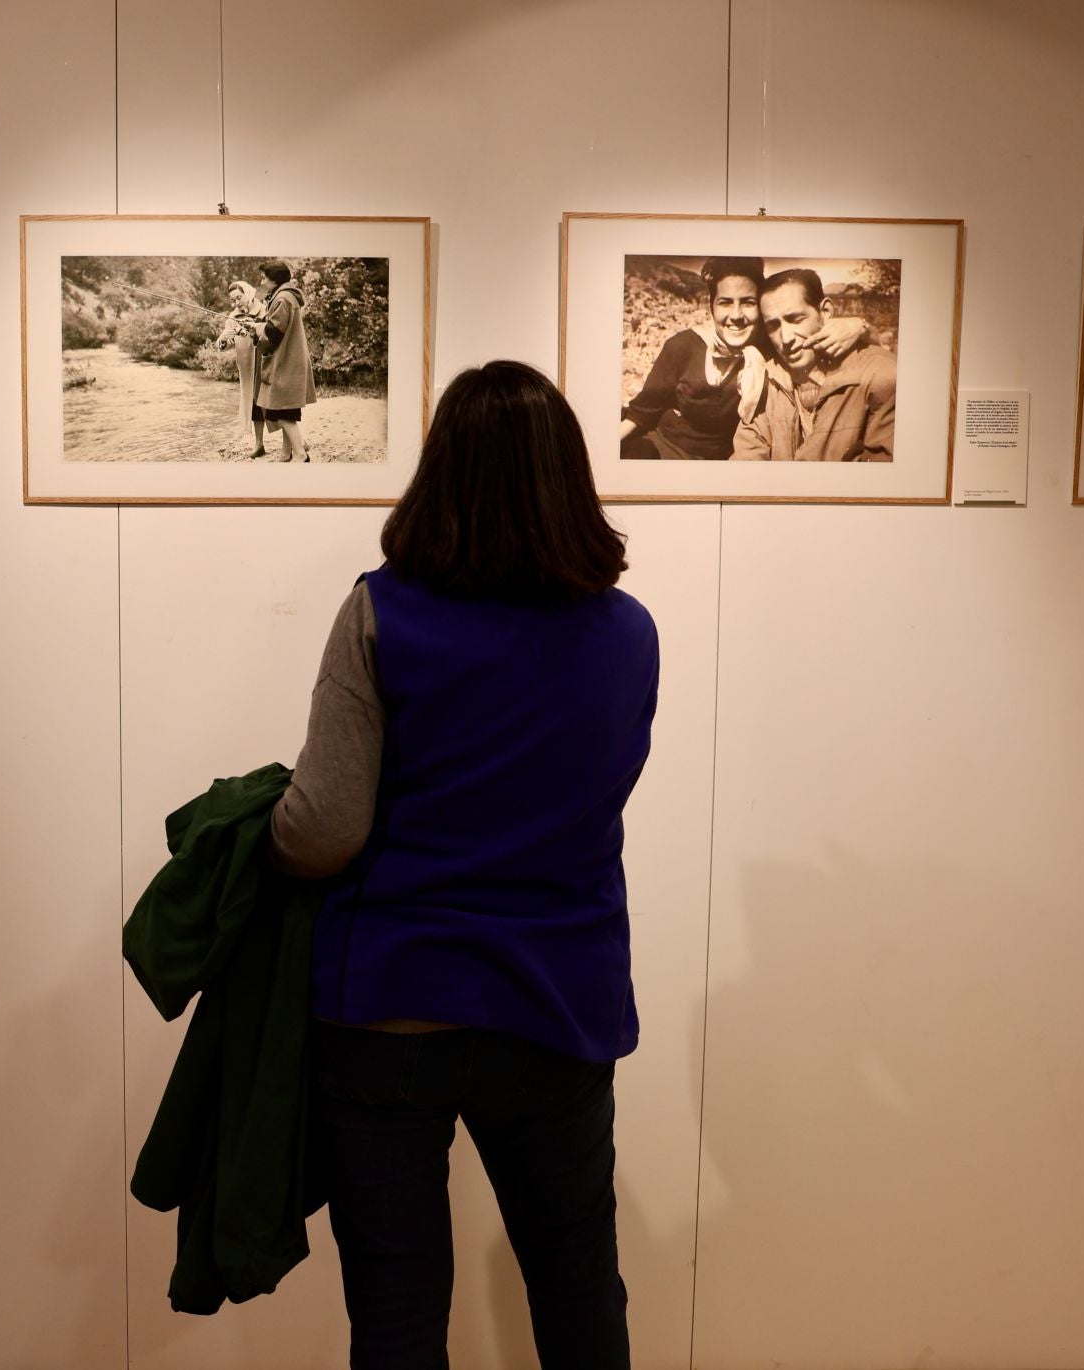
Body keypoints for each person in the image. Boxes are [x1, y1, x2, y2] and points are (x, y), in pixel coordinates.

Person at [269, 360, 659, 1369]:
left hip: (390, 1005)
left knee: (398, 1311)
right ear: (569, 478)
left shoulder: (380, 614)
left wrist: (256, 830)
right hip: (557, 1006)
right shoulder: (629, 634)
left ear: (438, 473)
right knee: (578, 1283)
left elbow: (323, 830)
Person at [620, 256, 867, 460]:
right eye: (725, 303)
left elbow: (825, 341)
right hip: (666, 451)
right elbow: (641, 413)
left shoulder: (775, 348)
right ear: (711, 307)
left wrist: (859, 325)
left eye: (747, 303)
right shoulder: (683, 346)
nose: (736, 315)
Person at [733, 267, 896, 461]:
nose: (786, 338)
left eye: (795, 319)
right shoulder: (764, 381)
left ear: (825, 311)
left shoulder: (877, 373)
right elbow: (746, 459)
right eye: (773, 325)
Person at [253, 260, 317, 462]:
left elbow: (272, 335)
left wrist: (257, 329)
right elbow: (274, 326)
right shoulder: (287, 296)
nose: (261, 281)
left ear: (275, 279)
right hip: (290, 360)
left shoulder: (283, 298)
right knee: (286, 408)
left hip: (286, 362)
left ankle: (300, 452)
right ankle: (288, 452)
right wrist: (258, 325)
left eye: (264, 277)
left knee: (279, 410)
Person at [215, 280, 269, 459]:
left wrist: (254, 327)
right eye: (233, 300)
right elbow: (226, 338)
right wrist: (223, 340)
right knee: (253, 404)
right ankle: (259, 444)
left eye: (239, 298)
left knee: (274, 402)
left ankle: (296, 439)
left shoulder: (264, 310)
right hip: (247, 368)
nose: (236, 303)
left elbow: (272, 334)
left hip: (266, 363)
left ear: (248, 293)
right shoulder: (233, 317)